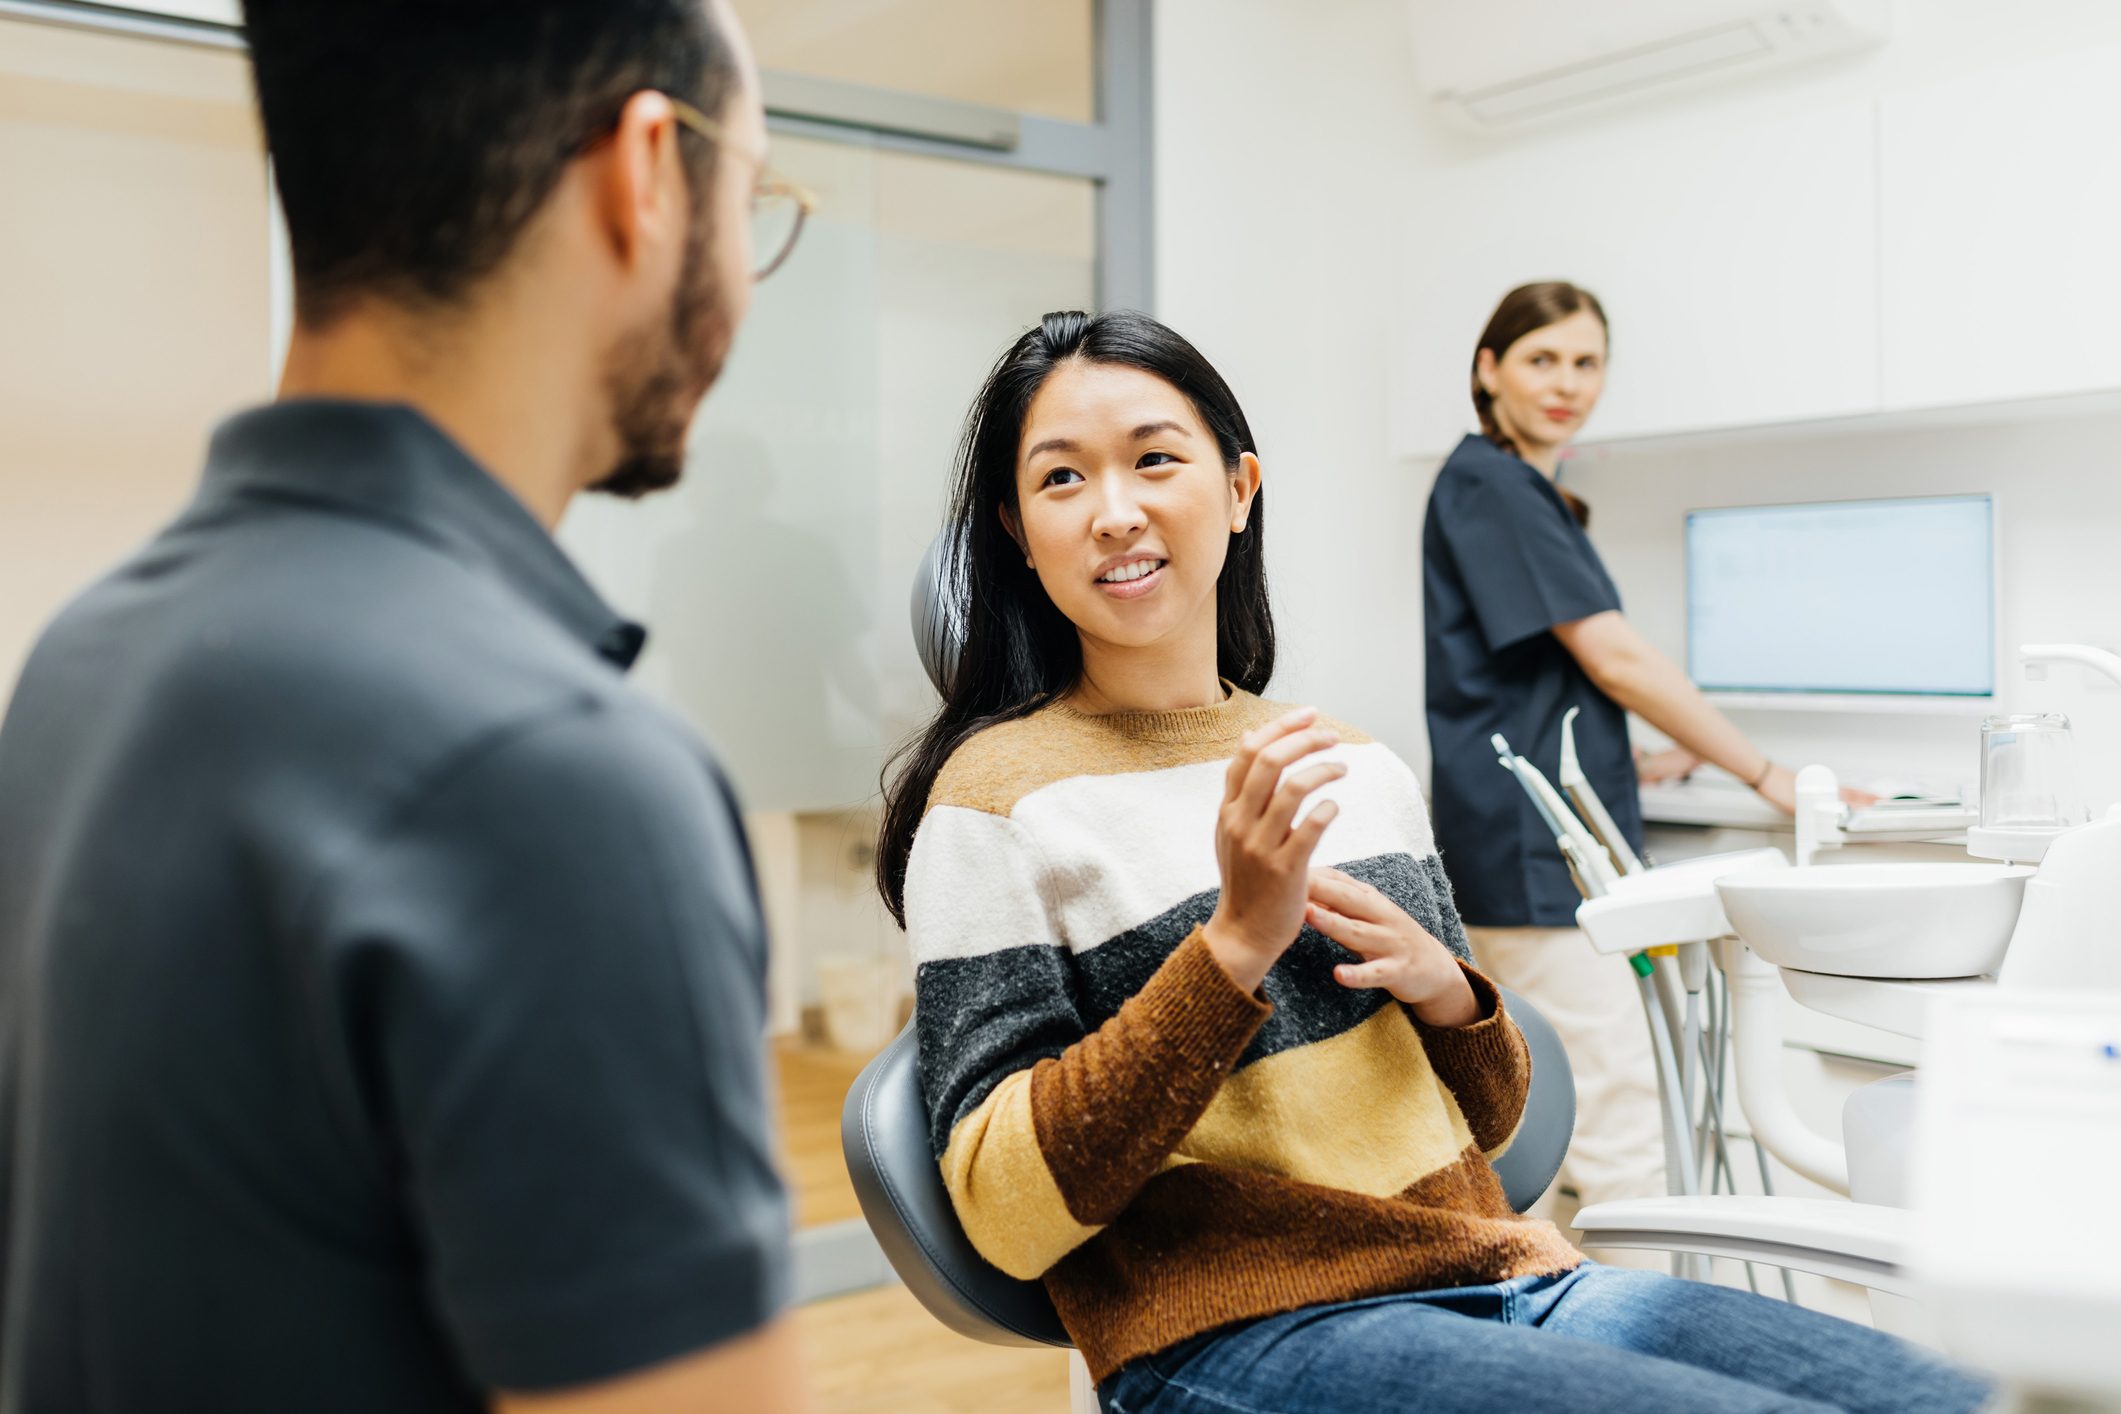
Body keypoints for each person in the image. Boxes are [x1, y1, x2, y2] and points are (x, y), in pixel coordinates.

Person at [873, 308, 1988, 1412]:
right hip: (1246, 1328)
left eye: (1155, 459)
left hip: (1504, 1276)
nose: (1115, 511)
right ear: (1020, 531)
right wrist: (1234, 950)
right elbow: (1008, 1215)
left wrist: (1451, 994)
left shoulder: (1353, 768)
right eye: (1062, 479)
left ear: (1240, 488)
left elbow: (1497, 1128)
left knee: (1968, 1396)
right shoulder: (994, 806)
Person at [0, 3, 812, 1410]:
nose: (749, 265)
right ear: (645, 176)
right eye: (753, 196)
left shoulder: (84, 659)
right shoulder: (556, 778)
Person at [1422, 281, 1873, 1237]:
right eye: (1542, 359)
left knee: (1546, 1152)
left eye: (1586, 363)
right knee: (1623, 1139)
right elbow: (1612, 655)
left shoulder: (1509, 488)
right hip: (1536, 860)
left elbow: (1535, 680)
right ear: (1487, 369)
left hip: (1523, 845)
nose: (1567, 383)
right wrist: (1763, 775)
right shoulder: (1492, 484)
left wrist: (1642, 760)